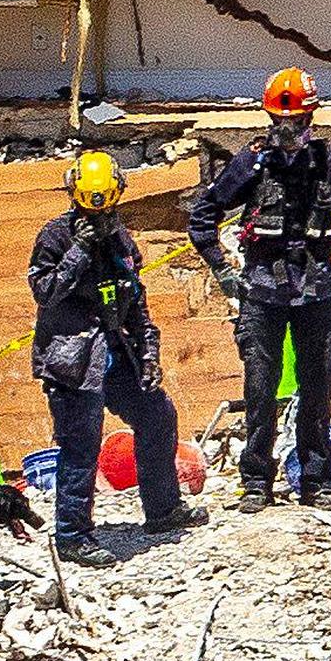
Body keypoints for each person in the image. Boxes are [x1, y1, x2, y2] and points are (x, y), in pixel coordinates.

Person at [189, 67, 331, 513]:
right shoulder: (251, 162)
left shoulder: (328, 164)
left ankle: (315, 479)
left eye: (299, 121)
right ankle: (256, 481)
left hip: (315, 294)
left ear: (311, 118)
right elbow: (202, 216)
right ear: (269, 118)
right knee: (260, 389)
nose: (289, 131)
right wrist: (223, 270)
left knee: (317, 388)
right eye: (281, 121)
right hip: (262, 293)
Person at [29, 150, 208, 567]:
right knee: (81, 444)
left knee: (158, 415)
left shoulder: (122, 241)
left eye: (105, 204)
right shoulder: (55, 237)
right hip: (73, 360)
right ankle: (73, 535)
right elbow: (45, 292)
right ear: (73, 194)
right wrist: (78, 252)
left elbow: (136, 303)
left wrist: (149, 354)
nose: (99, 214)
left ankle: (163, 510)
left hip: (115, 352)